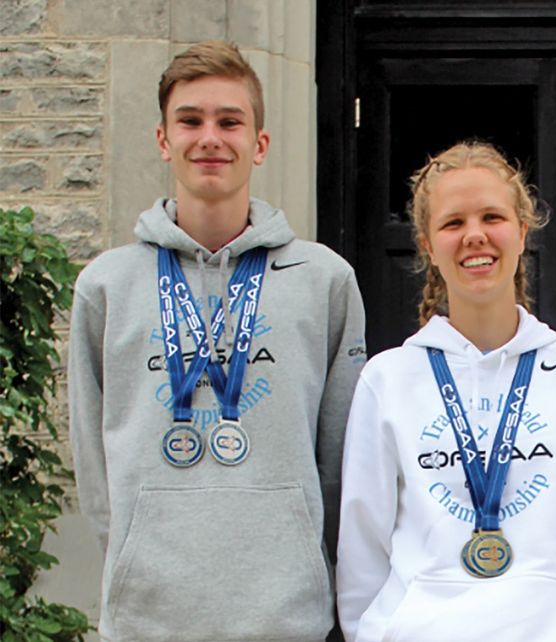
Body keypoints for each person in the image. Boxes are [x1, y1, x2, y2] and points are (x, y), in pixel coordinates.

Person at [69, 40, 366, 642]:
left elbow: (340, 458)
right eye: (190, 120)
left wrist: (316, 566)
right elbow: (92, 458)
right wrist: (126, 560)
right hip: (147, 616)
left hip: (286, 614)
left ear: (258, 143)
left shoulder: (324, 280)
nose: (210, 137)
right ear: (162, 139)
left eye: (230, 121)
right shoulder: (106, 284)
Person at [336, 141, 556, 642]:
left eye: (492, 217)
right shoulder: (387, 379)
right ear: (428, 245)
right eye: (453, 223)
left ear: (521, 230)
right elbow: (362, 541)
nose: (474, 236)